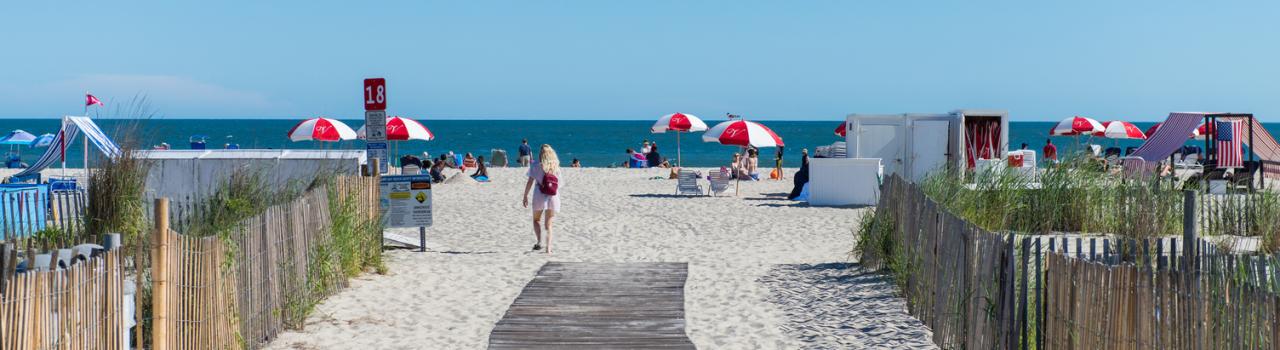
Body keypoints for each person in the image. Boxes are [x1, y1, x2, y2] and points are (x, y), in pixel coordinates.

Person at [522, 144, 562, 253]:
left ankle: (539, 242)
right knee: (549, 224)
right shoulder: (555, 166)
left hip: (539, 195)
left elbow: (530, 181)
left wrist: (525, 195)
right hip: (553, 196)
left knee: (536, 220)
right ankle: (548, 249)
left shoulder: (535, 165)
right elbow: (559, 183)